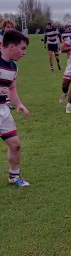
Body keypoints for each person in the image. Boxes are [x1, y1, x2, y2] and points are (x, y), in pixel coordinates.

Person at [0, 30, 30, 186]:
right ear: (11, 47)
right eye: (22, 48)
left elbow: (11, 88)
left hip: (3, 111)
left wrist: (18, 104)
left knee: (15, 144)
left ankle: (14, 176)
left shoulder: (13, 67)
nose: (24, 53)